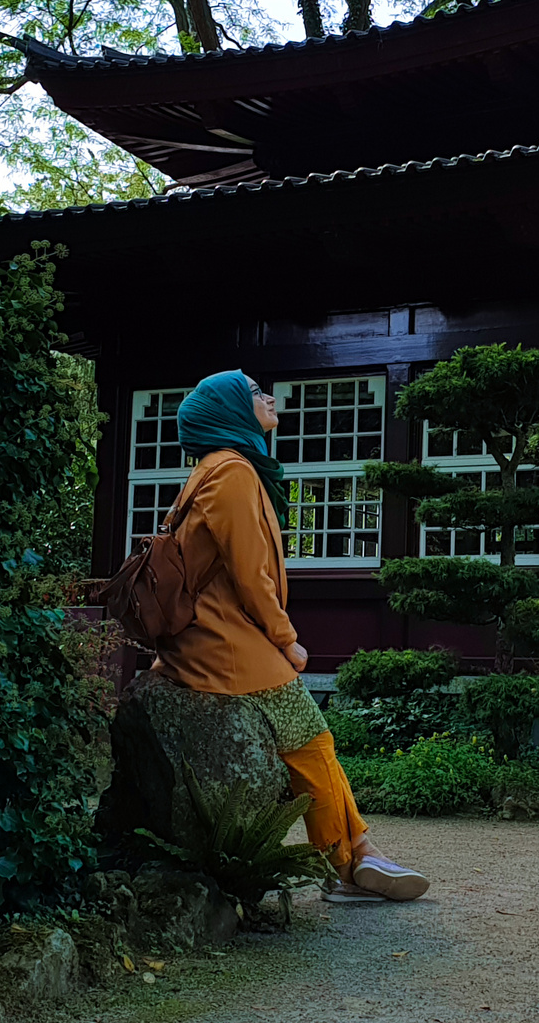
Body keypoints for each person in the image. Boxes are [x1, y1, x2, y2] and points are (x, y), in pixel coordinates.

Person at [156, 368, 430, 904]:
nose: (271, 398)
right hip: (224, 645)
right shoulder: (233, 473)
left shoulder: (212, 470)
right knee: (311, 741)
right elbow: (252, 576)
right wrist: (287, 640)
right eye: (256, 393)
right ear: (231, 411)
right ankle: (347, 867)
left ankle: (361, 851)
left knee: (314, 742)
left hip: (209, 638)